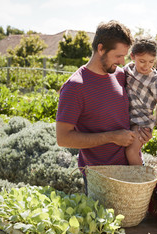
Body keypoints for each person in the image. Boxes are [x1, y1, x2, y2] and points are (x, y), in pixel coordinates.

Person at [56, 20, 151, 191]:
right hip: (100, 179)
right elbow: (63, 138)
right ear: (101, 49)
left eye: (124, 56)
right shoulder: (75, 87)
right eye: (118, 56)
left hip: (132, 170)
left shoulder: (119, 75)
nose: (123, 62)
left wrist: (139, 130)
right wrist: (112, 137)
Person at [124, 37, 157, 165]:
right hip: (125, 117)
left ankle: (140, 181)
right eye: (142, 61)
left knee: (131, 152)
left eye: (151, 61)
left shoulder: (155, 79)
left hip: (142, 121)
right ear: (132, 56)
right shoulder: (127, 69)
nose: (146, 66)